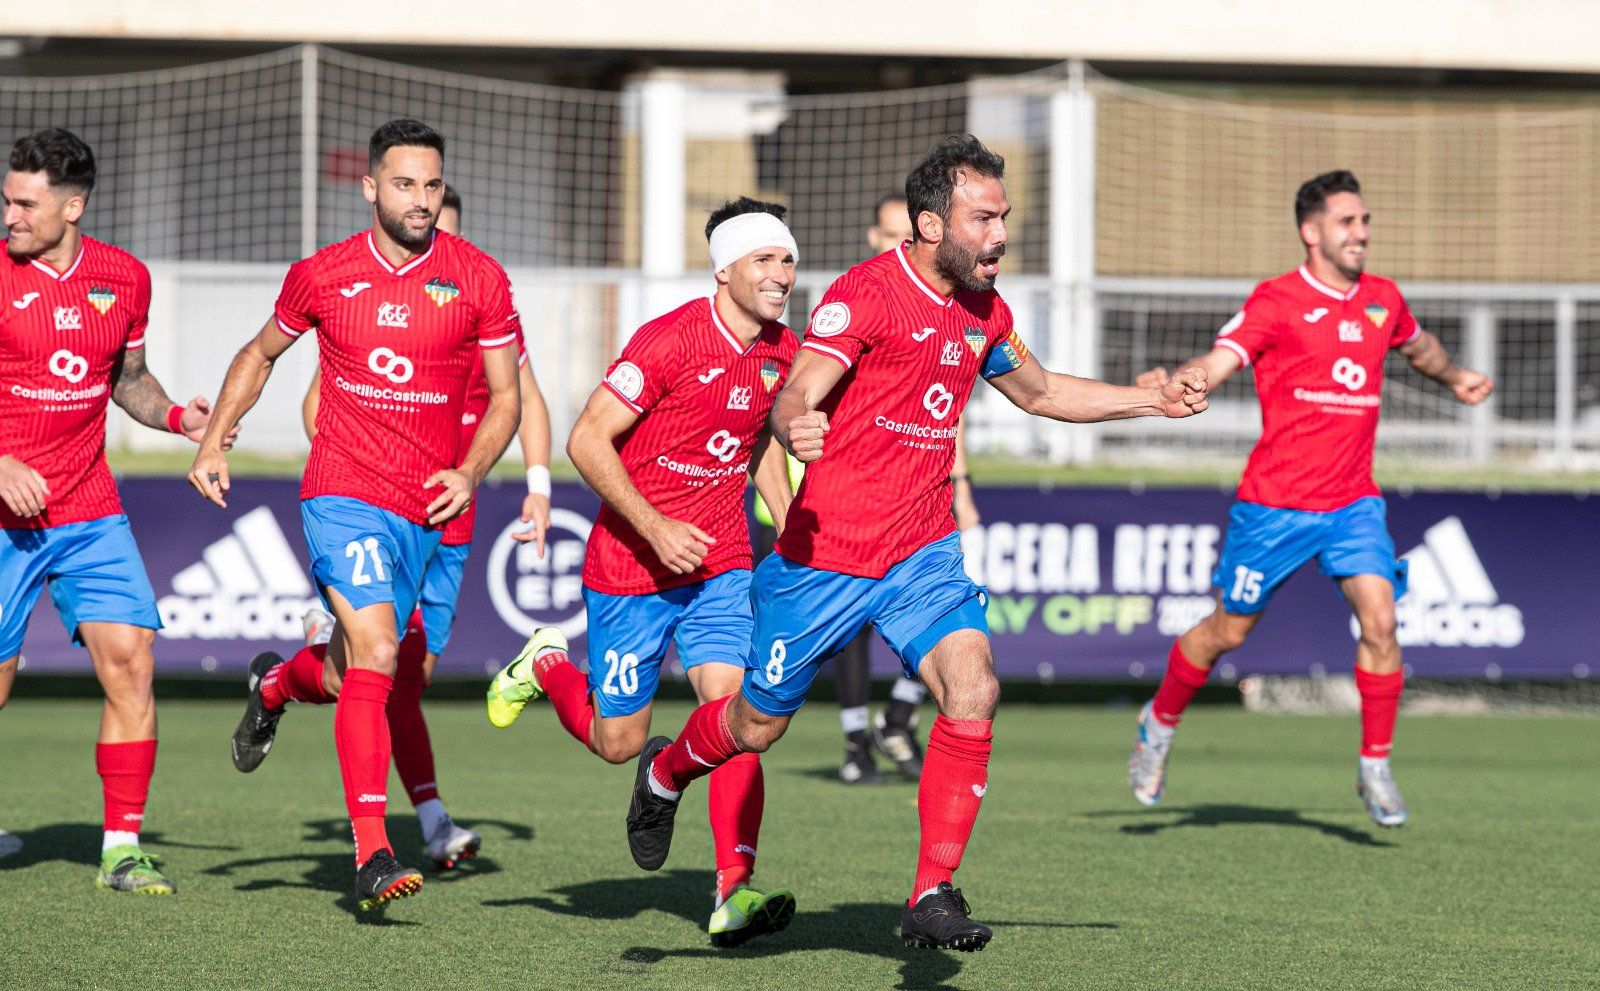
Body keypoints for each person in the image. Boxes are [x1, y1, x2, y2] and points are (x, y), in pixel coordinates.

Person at [623, 135, 1209, 952]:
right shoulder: (865, 294)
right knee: (756, 726)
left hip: (922, 550)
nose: (1001, 233)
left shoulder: (987, 310)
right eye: (985, 218)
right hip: (824, 555)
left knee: (973, 684)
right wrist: (795, 426)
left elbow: (1039, 392)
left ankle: (932, 890)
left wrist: (1151, 404)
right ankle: (665, 771)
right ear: (931, 225)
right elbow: (797, 389)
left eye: (1004, 216)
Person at [189, 119, 523, 911]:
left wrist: (471, 471)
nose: (419, 199)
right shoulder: (324, 273)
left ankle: (276, 684)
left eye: (431, 185)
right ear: (370, 187)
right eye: (403, 184)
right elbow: (259, 352)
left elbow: (508, 397)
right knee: (377, 650)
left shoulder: (479, 278)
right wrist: (211, 442)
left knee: (354, 672)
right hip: (342, 493)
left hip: (425, 508)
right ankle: (373, 850)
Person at [1126, 170, 1494, 828]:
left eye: (1365, 221)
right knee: (1226, 633)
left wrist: (1459, 374)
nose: (1362, 233)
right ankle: (1159, 720)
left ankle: (1375, 763)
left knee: (1381, 620)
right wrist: (1189, 379)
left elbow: (1419, 346)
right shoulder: (1277, 299)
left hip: (1353, 503)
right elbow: (1223, 355)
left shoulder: (1383, 297)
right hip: (1273, 506)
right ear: (1311, 231)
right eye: (1348, 222)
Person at [485, 196, 799, 947]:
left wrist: (789, 528)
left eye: (788, 259)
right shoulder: (666, 341)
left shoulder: (785, 352)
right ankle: (549, 663)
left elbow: (759, 445)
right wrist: (655, 527)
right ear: (724, 269)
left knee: (739, 718)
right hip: (631, 564)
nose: (782, 274)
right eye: (765, 259)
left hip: (720, 563)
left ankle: (733, 891)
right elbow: (587, 439)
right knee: (619, 740)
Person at [0, 128, 231, 894]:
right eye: (7, 198)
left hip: (88, 506)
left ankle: (121, 848)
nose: (10, 214)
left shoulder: (124, 278)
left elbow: (126, 378)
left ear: (73, 206)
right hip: (3, 515)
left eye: (25, 202)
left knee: (132, 665)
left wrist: (177, 419)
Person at [295, 184, 553, 871]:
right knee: (382, 660)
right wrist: (353, 468)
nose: (439, 238)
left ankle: (278, 684)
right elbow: (316, 402)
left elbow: (527, 401)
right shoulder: (383, 305)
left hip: (452, 520)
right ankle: (420, 825)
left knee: (405, 673)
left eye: (447, 225)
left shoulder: (484, 302)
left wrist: (537, 485)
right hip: (374, 506)